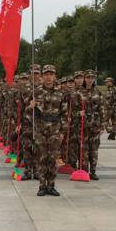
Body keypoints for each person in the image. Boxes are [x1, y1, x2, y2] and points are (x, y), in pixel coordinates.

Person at [29, 64, 67, 196]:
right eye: (46, 74)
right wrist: (31, 107)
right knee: (41, 158)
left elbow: (64, 113)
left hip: (55, 130)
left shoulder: (61, 92)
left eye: (51, 74)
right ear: (42, 76)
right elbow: (28, 114)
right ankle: (41, 186)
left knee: (52, 158)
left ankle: (51, 186)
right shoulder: (36, 92)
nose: (48, 77)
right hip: (40, 130)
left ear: (54, 76)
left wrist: (63, 131)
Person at [80, 70, 105, 180]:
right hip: (83, 125)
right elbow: (74, 109)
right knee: (84, 150)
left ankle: (93, 171)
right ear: (84, 79)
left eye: (92, 77)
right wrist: (78, 114)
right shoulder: (79, 92)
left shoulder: (98, 93)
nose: (90, 80)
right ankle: (84, 171)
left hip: (95, 124)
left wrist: (103, 125)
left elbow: (102, 109)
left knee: (94, 150)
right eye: (88, 77)